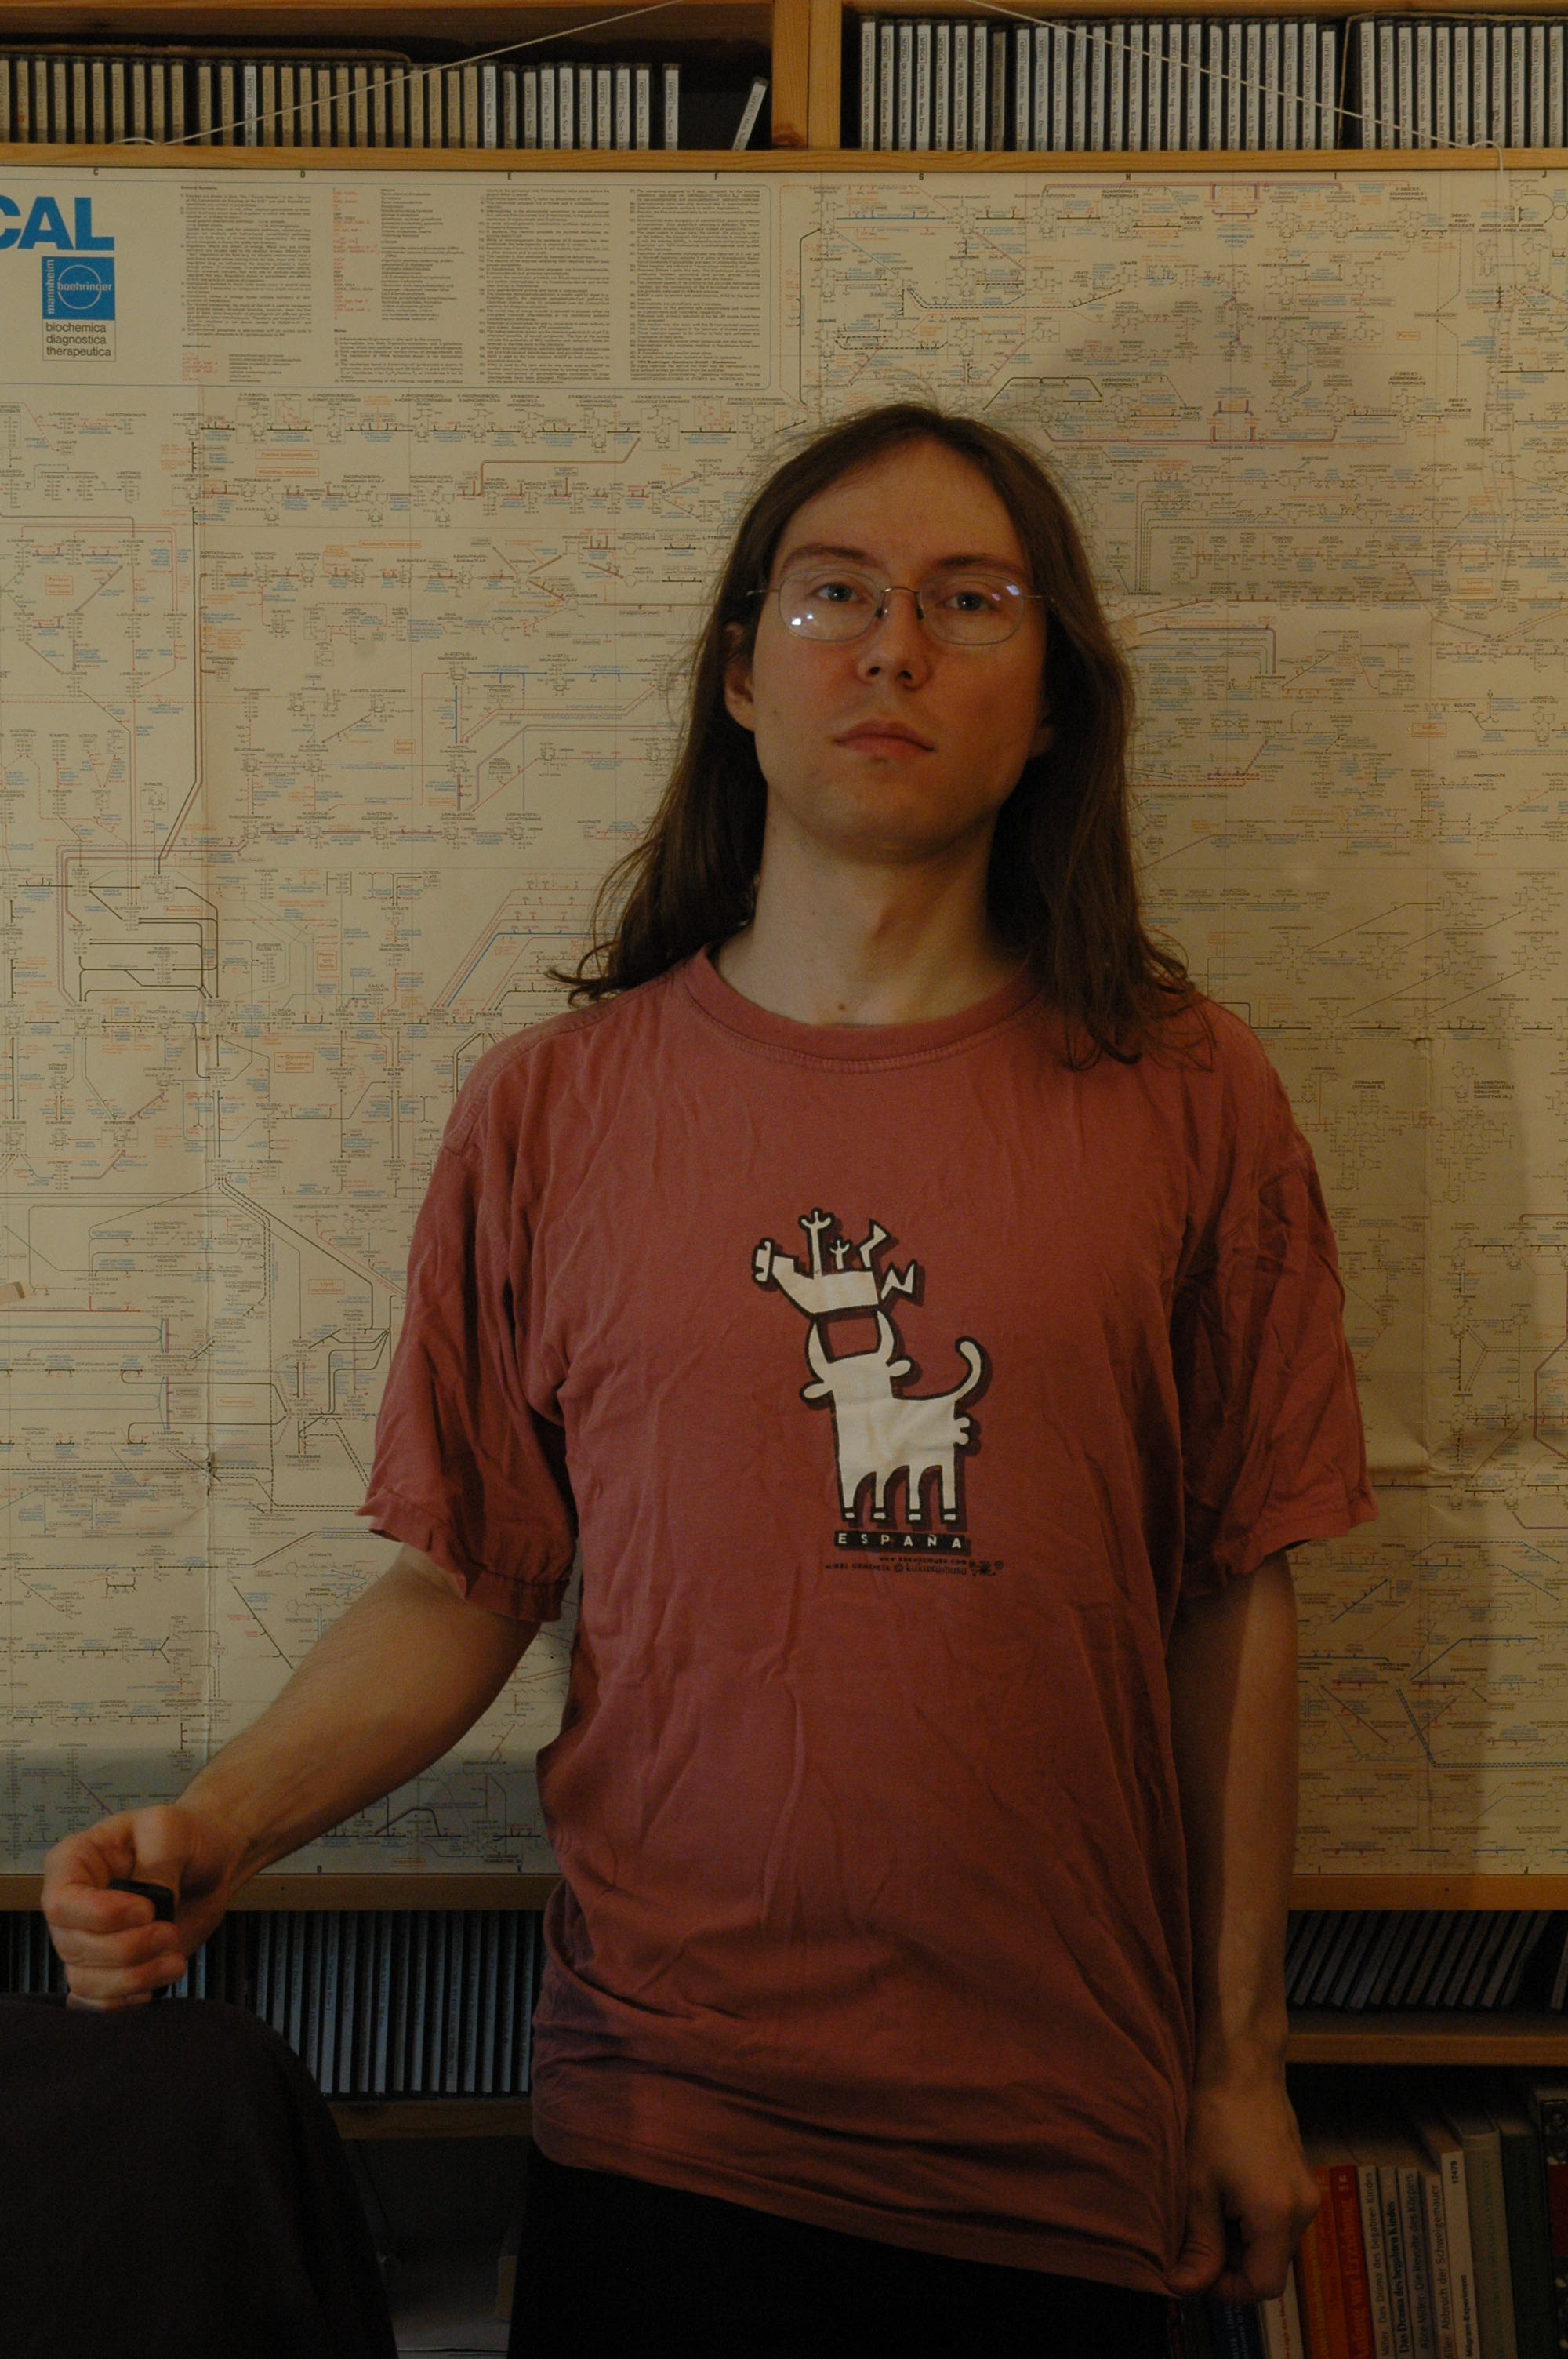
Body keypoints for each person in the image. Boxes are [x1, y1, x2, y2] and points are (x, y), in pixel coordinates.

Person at [42, 403, 1374, 2357]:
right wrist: (221, 1824)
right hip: (663, 2131)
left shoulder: (1190, 1092)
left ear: (1054, 703)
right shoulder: (552, 1111)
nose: (891, 646)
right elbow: (466, 1578)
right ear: (741, 674)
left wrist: (1239, 2060)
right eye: (833, 593)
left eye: (970, 600)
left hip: (1061, 2143)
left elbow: (1232, 1584)